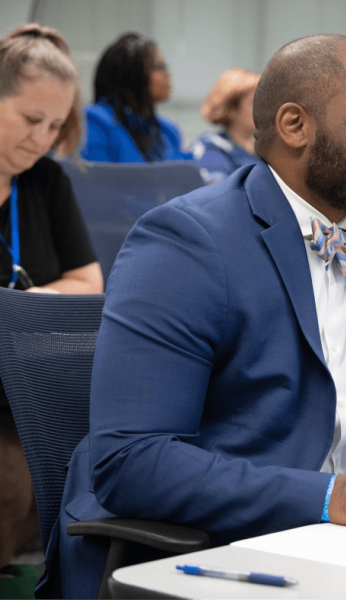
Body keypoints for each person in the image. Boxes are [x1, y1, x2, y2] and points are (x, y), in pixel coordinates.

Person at [42, 34, 346, 598]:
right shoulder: (187, 242)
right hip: (221, 549)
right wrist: (330, 496)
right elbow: (132, 461)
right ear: (295, 126)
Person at [0, 22, 101, 573]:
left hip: (28, 385)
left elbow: (89, 283)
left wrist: (20, 305)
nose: (42, 138)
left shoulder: (46, 182)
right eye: (30, 120)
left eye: (55, 125)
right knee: (13, 485)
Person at [80, 32, 191, 163]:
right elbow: (95, 180)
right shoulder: (94, 121)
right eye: (159, 66)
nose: (167, 74)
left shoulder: (169, 131)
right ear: (130, 73)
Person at [190, 68, 260, 183]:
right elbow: (218, 194)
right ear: (231, 109)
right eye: (254, 103)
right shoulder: (210, 147)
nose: (263, 109)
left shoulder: (263, 151)